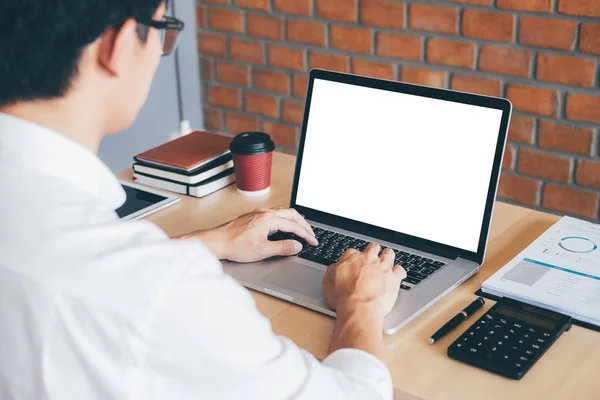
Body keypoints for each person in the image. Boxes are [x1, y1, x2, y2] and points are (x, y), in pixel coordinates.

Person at [0, 1, 407, 399]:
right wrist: (361, 303)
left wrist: (210, 242)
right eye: (163, 29)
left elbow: (80, 259)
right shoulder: (164, 293)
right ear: (119, 46)